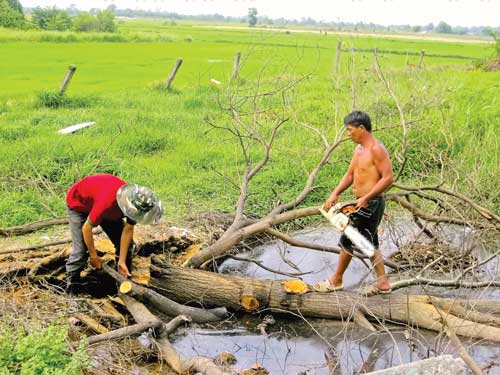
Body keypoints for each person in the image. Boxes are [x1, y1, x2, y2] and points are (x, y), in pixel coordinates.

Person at [314, 110, 393, 295]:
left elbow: (388, 178)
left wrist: (366, 197)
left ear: (362, 128)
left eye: (350, 130)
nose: (348, 134)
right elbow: (350, 175)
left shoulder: (376, 149)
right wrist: (335, 193)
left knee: (348, 238)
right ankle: (383, 284)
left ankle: (336, 280)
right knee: (369, 243)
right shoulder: (359, 150)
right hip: (361, 203)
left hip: (371, 204)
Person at [65, 174, 163, 295]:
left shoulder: (136, 206)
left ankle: (122, 281)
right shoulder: (107, 203)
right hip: (79, 204)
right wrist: (93, 256)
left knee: (127, 245)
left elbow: (128, 229)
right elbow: (87, 228)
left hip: (108, 209)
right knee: (80, 252)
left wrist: (122, 260)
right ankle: (72, 289)